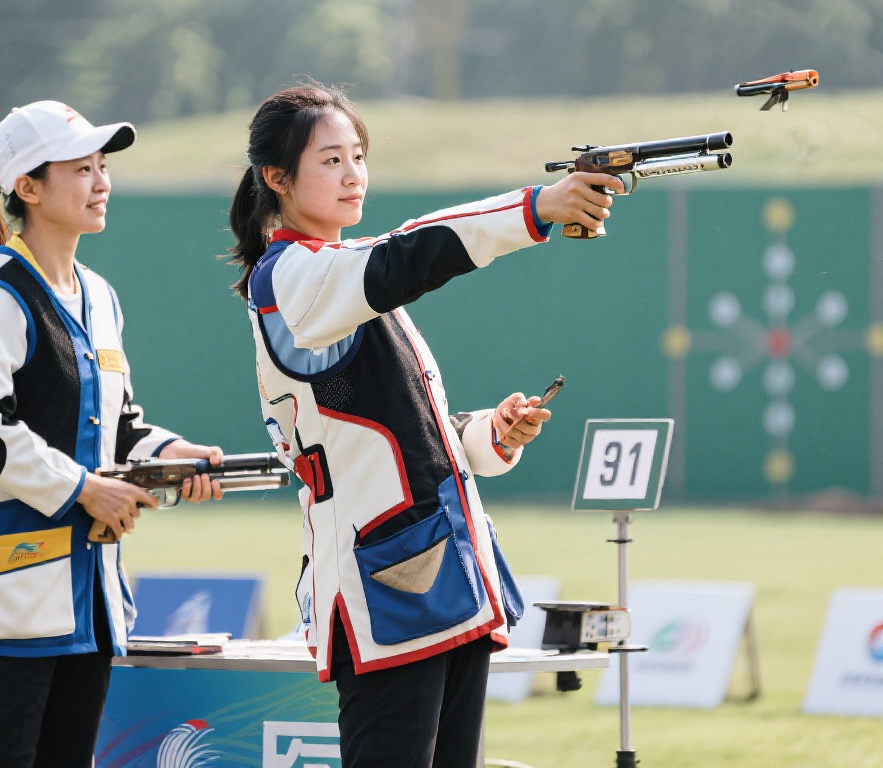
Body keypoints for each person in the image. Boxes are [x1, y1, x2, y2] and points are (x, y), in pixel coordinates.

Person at [228, 80, 624, 767]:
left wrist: (488, 434)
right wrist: (537, 207)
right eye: (330, 160)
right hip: (391, 589)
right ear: (277, 178)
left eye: (358, 156)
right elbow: (408, 252)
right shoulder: (291, 274)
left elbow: (404, 433)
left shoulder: (331, 276)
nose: (353, 174)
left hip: (436, 581)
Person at [0, 100, 225, 768]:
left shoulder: (100, 296)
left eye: (102, 166)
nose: (101, 181)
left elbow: (119, 425)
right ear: (27, 188)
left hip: (87, 607)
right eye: (81, 169)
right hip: (0, 608)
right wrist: (86, 489)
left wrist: (176, 457)